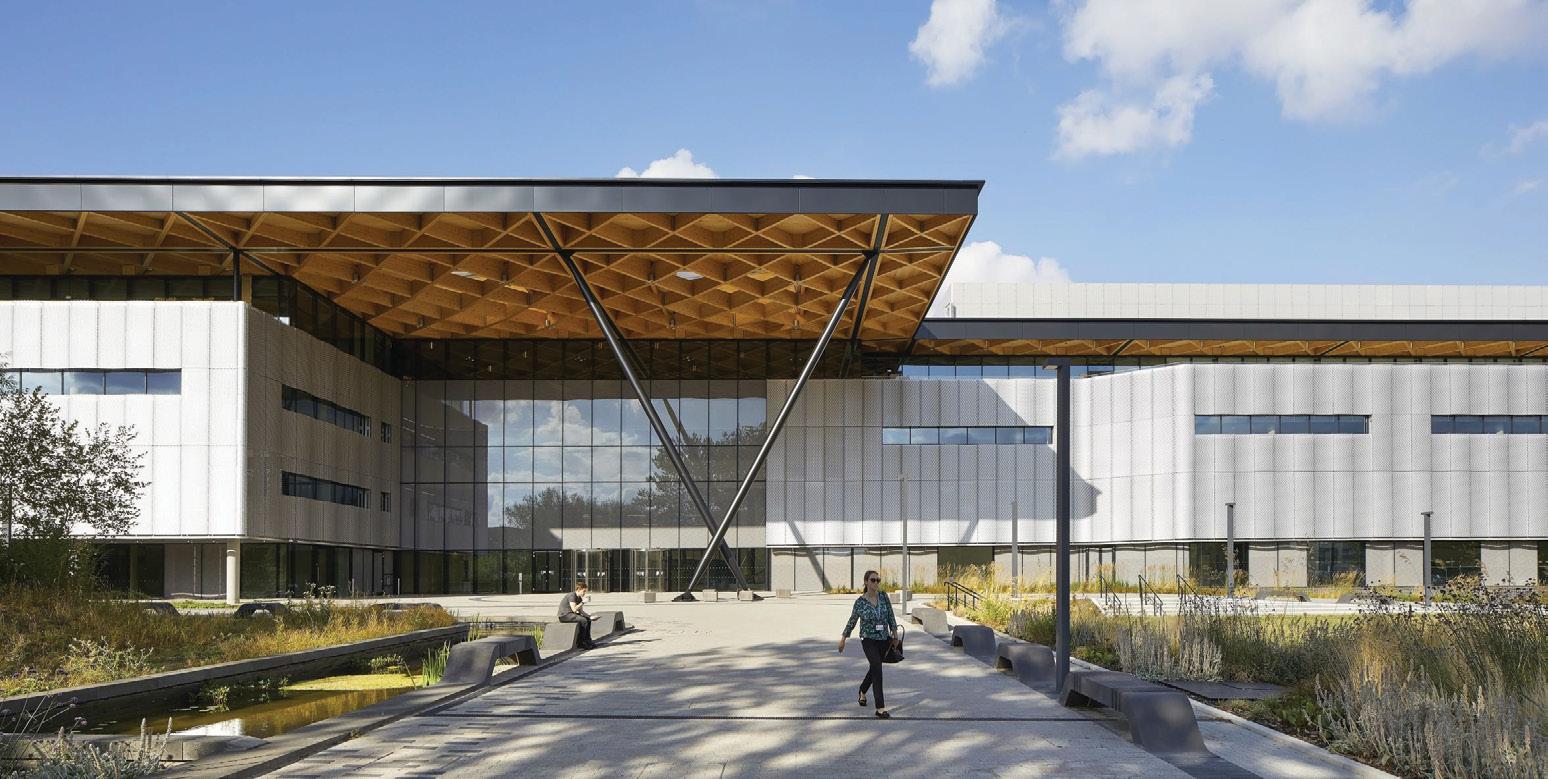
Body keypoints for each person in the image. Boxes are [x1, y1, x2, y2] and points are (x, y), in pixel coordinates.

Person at [838, 570, 899, 718]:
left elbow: (891, 615)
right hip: (868, 640)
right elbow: (852, 621)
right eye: (873, 580)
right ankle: (880, 708)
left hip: (883, 638)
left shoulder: (883, 597)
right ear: (866, 582)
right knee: (877, 668)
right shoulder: (860, 602)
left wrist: (895, 634)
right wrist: (843, 638)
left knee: (875, 667)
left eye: (878, 580)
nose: (876, 582)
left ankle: (862, 690)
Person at [558, 580, 598, 650]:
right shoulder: (572, 595)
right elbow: (574, 609)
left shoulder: (579, 598)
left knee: (588, 620)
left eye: (585, 591)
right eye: (584, 591)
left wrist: (590, 617)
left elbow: (581, 611)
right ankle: (581, 642)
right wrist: (583, 602)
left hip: (571, 614)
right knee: (583, 620)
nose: (584, 593)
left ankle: (588, 640)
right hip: (564, 615)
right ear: (579, 590)